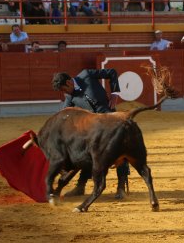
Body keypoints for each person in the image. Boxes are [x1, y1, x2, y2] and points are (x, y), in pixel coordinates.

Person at [51, 69, 129, 199]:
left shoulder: (86, 75)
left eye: (64, 90)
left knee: (120, 150)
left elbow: (112, 72)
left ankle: (121, 188)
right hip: (94, 130)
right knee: (86, 153)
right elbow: (62, 116)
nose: (64, 93)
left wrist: (115, 93)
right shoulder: (70, 97)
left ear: (69, 82)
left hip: (110, 120)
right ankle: (80, 186)